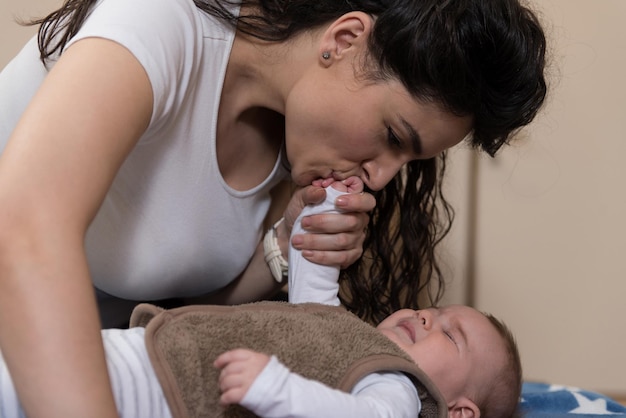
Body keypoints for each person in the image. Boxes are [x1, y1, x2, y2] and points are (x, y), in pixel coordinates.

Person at [0, 0, 546, 416]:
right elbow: (25, 226)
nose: (380, 177)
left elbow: (173, 314)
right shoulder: (163, 21)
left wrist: (281, 249)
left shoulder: (296, 143)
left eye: (406, 158)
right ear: (347, 38)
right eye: (391, 136)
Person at [0, 178, 521, 418]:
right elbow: (314, 291)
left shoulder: (402, 394)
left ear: (460, 413)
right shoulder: (354, 340)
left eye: (450, 335)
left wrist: (277, 389)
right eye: (433, 311)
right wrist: (325, 214)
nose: (427, 318)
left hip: (160, 397)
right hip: (145, 353)